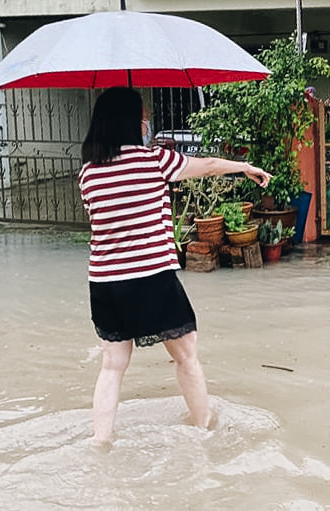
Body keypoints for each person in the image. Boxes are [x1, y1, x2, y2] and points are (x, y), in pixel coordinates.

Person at [78, 87, 271, 444]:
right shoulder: (155, 160)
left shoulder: (88, 174)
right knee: (186, 355)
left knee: (112, 365)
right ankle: (204, 431)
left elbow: (102, 221)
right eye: (144, 117)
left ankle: (100, 441)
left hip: (104, 283)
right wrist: (244, 167)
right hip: (151, 277)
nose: (147, 122)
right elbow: (208, 166)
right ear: (130, 122)